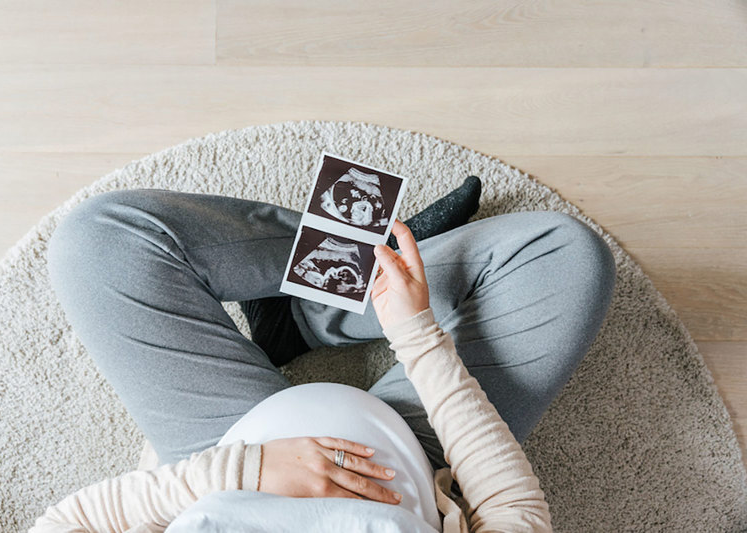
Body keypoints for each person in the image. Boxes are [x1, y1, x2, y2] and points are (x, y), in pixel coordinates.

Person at [33, 186, 616, 532]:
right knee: (564, 255)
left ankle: (330, 284)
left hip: (224, 446)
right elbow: (511, 510)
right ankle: (330, 296)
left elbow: (64, 526)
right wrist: (416, 336)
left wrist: (244, 470)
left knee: (100, 241)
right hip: (414, 448)